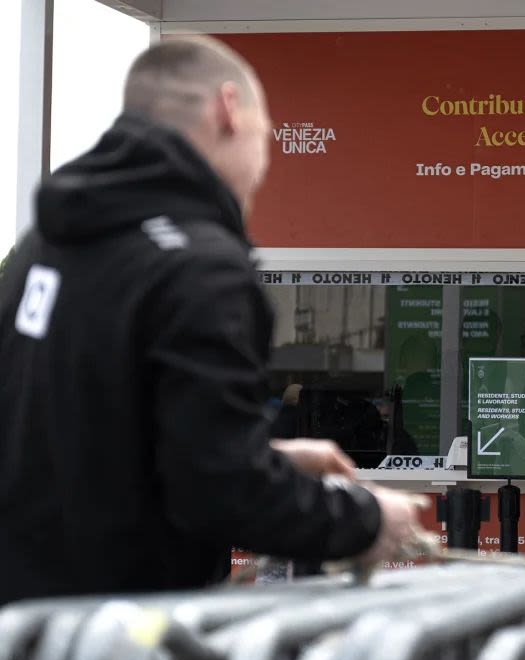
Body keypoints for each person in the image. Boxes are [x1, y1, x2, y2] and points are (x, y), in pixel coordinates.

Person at [0, 37, 422, 606]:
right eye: (266, 136)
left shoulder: (45, 245)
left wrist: (266, 459)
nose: (264, 165)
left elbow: (83, 446)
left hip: (24, 637)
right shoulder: (202, 268)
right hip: (123, 648)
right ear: (228, 109)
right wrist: (368, 518)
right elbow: (221, 492)